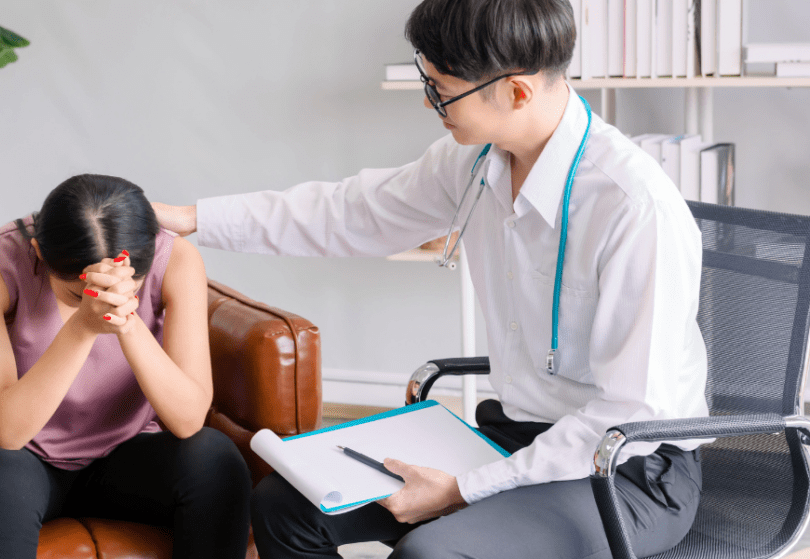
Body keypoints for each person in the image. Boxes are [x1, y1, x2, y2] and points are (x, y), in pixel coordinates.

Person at [153, 0, 709, 557]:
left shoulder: (634, 209)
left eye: (442, 88)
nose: (429, 100)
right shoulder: (474, 162)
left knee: (431, 553)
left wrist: (464, 491)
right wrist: (194, 219)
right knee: (286, 505)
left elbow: (630, 415)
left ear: (517, 92)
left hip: (625, 468)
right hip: (514, 435)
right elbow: (349, 213)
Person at [0, 174, 251, 559]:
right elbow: (7, 432)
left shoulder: (176, 258)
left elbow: (187, 421)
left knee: (215, 459)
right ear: (38, 251)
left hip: (125, 451)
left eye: (125, 290)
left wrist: (128, 321)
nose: (100, 303)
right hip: (12, 458)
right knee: (0, 477)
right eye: (76, 294)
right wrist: (82, 328)